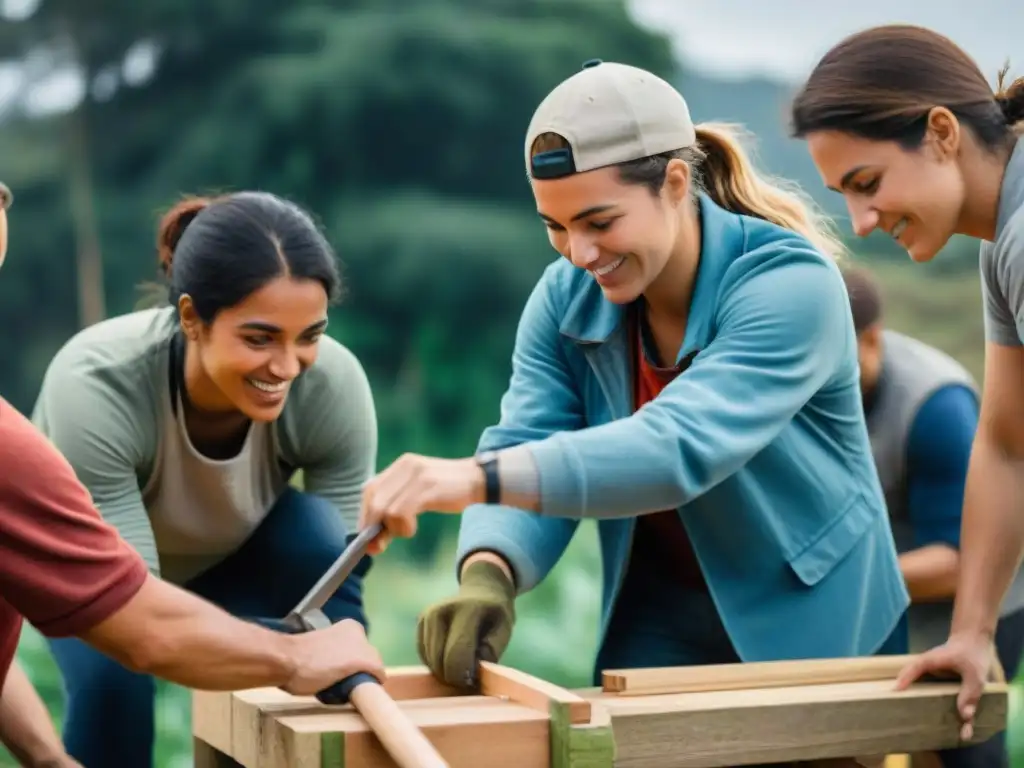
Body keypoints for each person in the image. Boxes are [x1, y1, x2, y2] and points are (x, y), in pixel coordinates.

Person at [358, 58, 909, 746]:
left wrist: (466, 479)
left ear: (676, 182)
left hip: (812, 613)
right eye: (554, 226)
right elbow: (528, 433)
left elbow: (677, 447)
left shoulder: (791, 286)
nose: (578, 252)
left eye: (598, 220)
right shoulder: (565, 297)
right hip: (661, 606)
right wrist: (489, 573)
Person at [0, 180, 385, 768]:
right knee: (113, 686)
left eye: (309, 336)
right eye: (259, 338)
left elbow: (339, 582)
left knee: (314, 536)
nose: (286, 366)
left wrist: (342, 668)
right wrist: (283, 651)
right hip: (110, 582)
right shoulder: (97, 385)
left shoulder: (332, 384)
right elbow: (131, 621)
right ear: (192, 318)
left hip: (234, 564)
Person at [787, 23, 1024, 741]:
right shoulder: (999, 246)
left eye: (868, 184)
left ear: (942, 133)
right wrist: (972, 632)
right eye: (842, 195)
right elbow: (1009, 441)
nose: (859, 224)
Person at [842, 265, 1024, 768]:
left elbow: (956, 564)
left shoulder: (935, 405)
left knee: (958, 741)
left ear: (872, 339)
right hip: (884, 597)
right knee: (854, 742)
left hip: (975, 599)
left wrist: (834, 580)